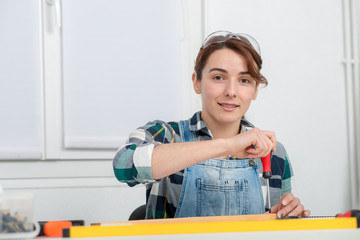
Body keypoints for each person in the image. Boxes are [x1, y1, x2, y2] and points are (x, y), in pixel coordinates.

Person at [113, 30, 310, 219]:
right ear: (196, 82)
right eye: (218, 77)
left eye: (244, 80)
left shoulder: (274, 153)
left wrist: (288, 215)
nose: (231, 91)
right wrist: (228, 145)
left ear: (255, 90)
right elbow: (124, 166)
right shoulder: (166, 135)